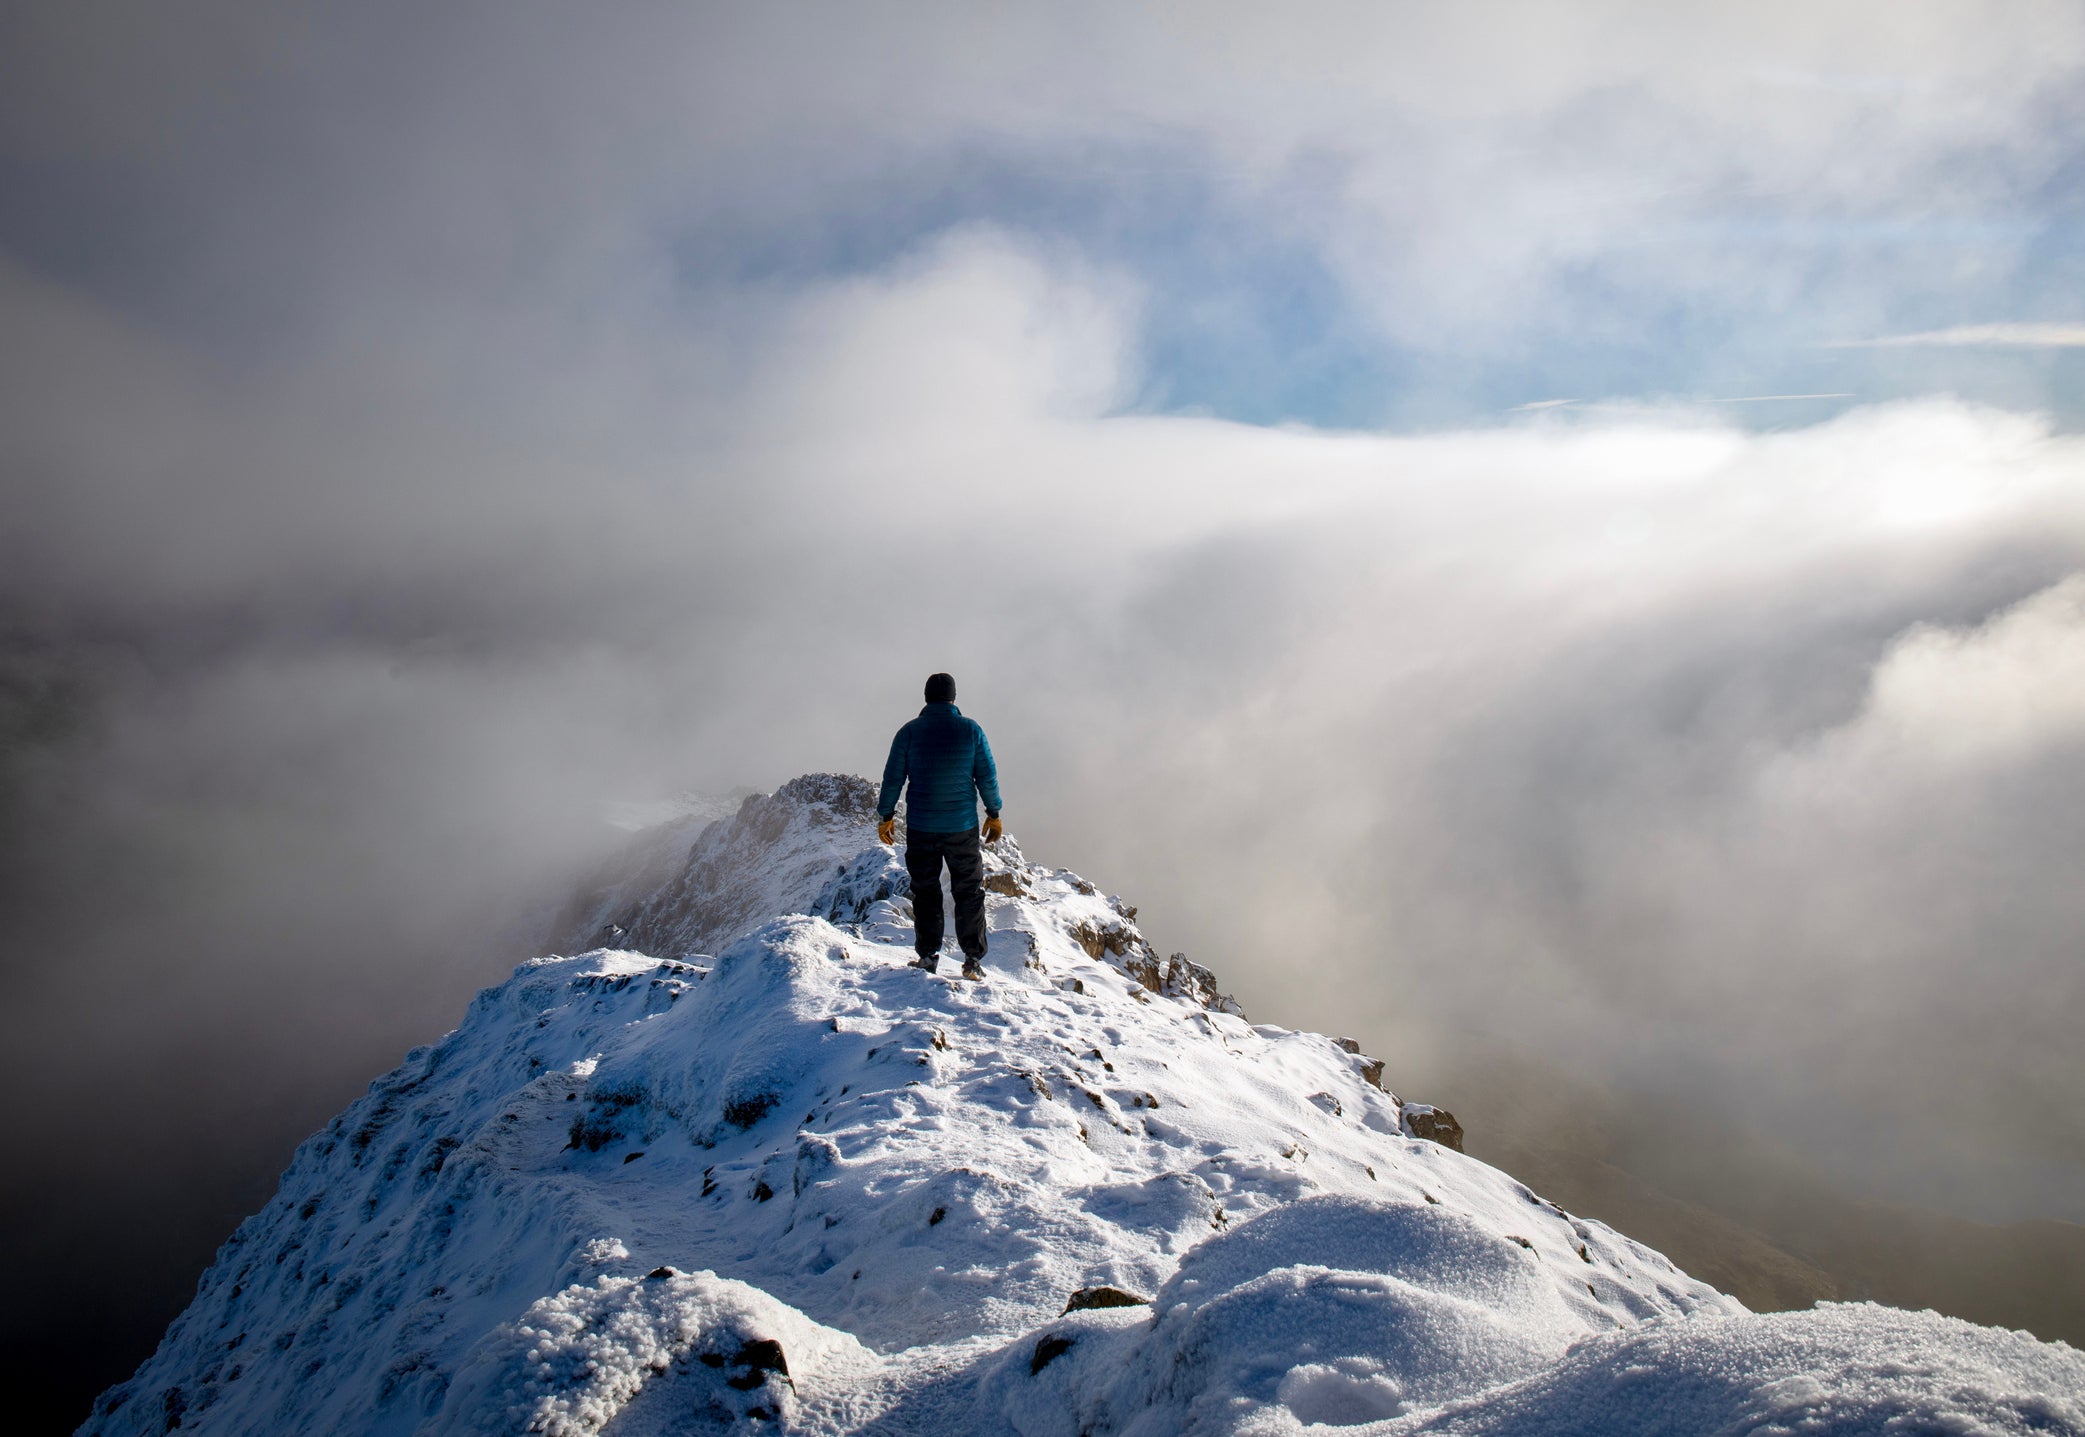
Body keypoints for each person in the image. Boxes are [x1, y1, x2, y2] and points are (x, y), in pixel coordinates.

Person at [877, 672, 1003, 979]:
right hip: (961, 826)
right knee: (969, 890)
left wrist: (886, 815)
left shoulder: (908, 732)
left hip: (921, 826)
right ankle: (972, 960)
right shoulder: (971, 730)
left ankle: (928, 956)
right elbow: (986, 775)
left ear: (926, 698)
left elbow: (894, 777)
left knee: (926, 891)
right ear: (954, 698)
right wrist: (993, 811)